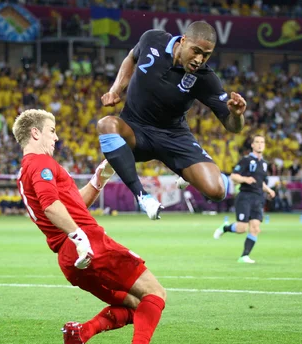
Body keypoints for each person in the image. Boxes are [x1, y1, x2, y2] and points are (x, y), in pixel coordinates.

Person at [13, 109, 172, 344]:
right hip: (88, 245)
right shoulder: (41, 164)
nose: (56, 137)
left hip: (70, 259)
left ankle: (81, 333)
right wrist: (79, 237)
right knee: (155, 293)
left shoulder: (27, 169)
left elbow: (73, 205)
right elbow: (51, 206)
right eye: (52, 131)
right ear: (35, 132)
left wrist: (99, 179)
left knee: (135, 305)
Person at [98, 21, 247, 220]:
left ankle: (186, 174)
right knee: (106, 124)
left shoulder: (206, 78)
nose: (199, 59)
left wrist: (237, 115)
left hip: (174, 137)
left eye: (206, 54)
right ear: (183, 41)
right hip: (135, 131)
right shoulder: (152, 39)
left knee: (217, 191)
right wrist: (115, 90)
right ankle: (143, 197)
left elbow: (232, 126)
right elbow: (130, 58)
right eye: (196, 51)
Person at [213, 135, 275, 263]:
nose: (260, 144)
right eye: (257, 142)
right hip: (245, 197)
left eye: (262, 142)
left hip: (258, 198)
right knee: (242, 228)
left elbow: (259, 182)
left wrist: (269, 190)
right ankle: (225, 228)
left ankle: (244, 256)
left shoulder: (264, 164)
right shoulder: (246, 160)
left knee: (255, 228)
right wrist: (245, 179)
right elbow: (233, 176)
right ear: (252, 145)